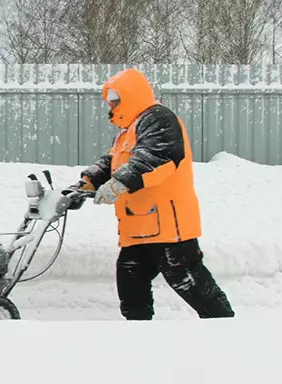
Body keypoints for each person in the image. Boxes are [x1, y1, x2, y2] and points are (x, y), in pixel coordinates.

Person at [73, 67, 235, 320]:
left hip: (169, 226)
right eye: (110, 101)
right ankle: (140, 335)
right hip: (141, 226)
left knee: (190, 283)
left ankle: (226, 328)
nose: (112, 106)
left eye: (116, 100)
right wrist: (88, 182)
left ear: (132, 95)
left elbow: (158, 157)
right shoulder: (129, 130)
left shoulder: (158, 118)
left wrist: (119, 184)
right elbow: (112, 162)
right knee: (130, 281)